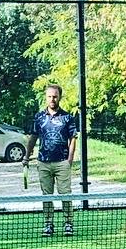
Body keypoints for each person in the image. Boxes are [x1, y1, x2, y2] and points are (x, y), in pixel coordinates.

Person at [24, 82, 80, 237]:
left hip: (62, 162)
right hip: (43, 162)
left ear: (59, 97)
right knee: (46, 195)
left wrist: (69, 160)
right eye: (49, 96)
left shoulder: (67, 117)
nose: (52, 99)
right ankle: (48, 224)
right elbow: (33, 138)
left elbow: (73, 138)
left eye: (55, 96)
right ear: (46, 98)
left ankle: (68, 223)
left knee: (65, 193)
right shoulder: (39, 117)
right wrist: (26, 157)